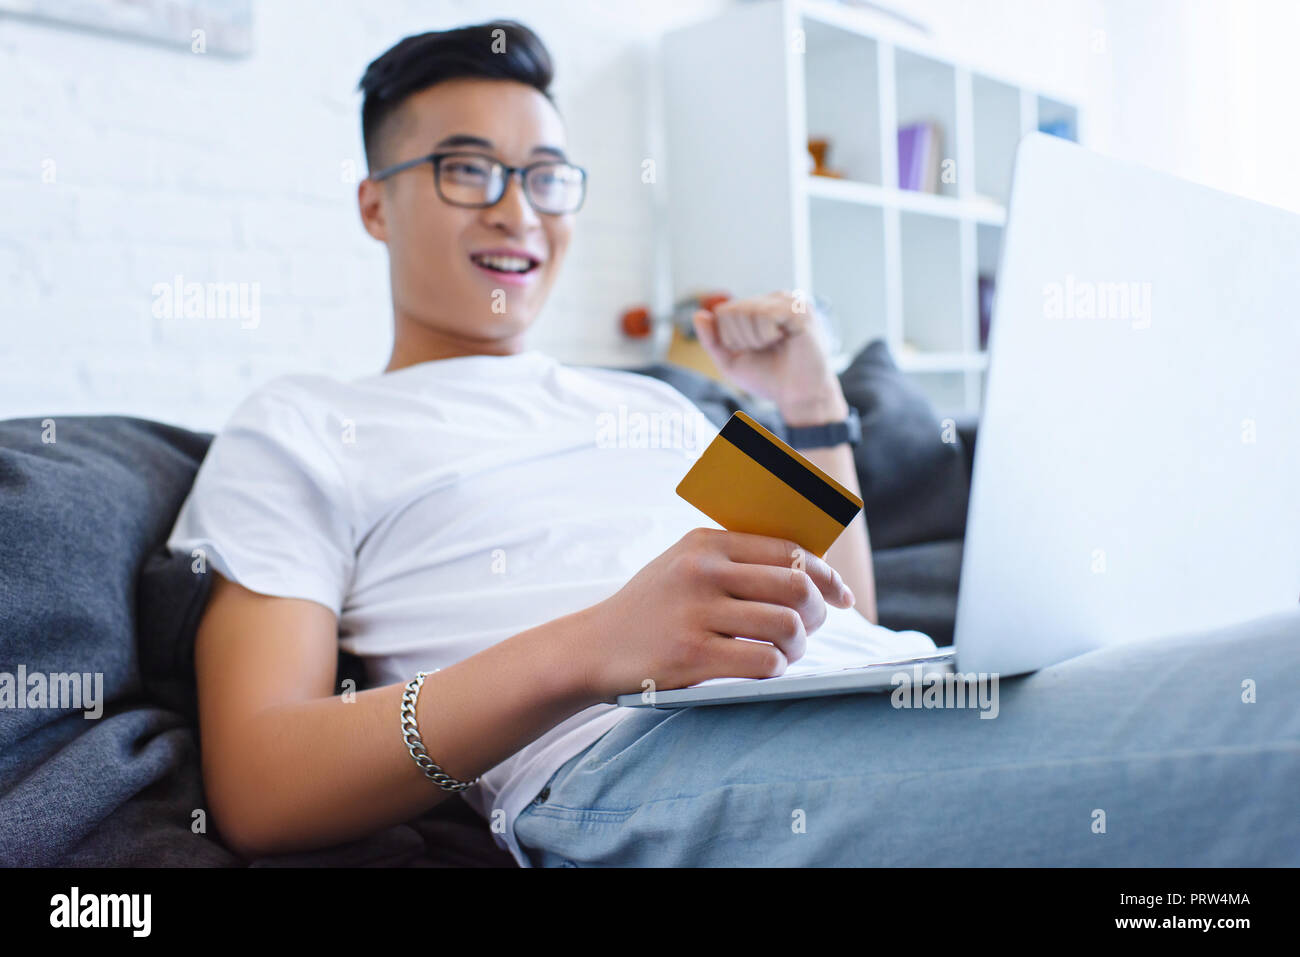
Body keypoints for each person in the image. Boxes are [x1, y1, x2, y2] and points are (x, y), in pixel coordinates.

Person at [168, 20, 1300, 868]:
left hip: (893, 685)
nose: (519, 212)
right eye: (468, 170)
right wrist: (596, 646)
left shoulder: (651, 401)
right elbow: (263, 783)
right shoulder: (303, 423)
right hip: (629, 763)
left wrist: (808, 410)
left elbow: (836, 607)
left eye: (548, 177)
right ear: (376, 204)